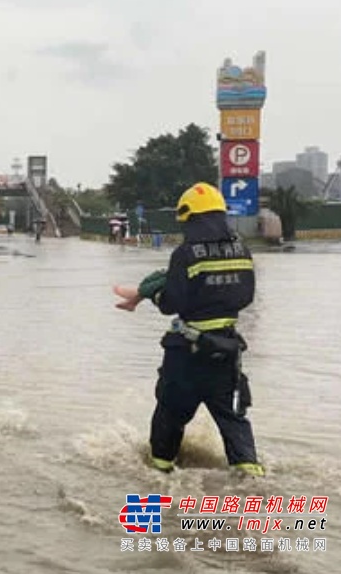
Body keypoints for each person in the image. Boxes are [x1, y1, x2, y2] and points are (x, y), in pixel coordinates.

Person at [124, 182, 263, 477]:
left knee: (170, 416)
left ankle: (159, 475)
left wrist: (154, 293)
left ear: (190, 218)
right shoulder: (242, 249)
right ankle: (252, 480)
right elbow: (246, 296)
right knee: (234, 420)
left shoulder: (186, 253)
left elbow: (171, 303)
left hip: (187, 353)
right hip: (226, 350)